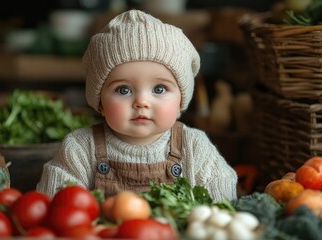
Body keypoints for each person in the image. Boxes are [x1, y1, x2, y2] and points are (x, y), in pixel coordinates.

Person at [36, 9, 238, 201]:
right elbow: (55, 203)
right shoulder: (80, 148)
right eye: (123, 90)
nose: (141, 102)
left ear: (180, 102)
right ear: (100, 103)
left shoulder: (194, 147)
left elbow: (223, 201)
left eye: (159, 89)